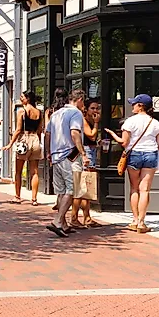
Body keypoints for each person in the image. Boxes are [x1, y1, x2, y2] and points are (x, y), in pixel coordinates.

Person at [104, 94, 159, 234]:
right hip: (150, 154)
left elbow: (124, 142)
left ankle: (135, 220)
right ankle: (142, 223)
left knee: (134, 188)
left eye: (134, 104)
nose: (132, 106)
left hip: (135, 155)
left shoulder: (130, 122)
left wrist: (113, 135)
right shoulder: (155, 123)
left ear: (140, 106)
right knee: (145, 190)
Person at [44, 89, 89, 237]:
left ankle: (63, 223)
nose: (84, 107)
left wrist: (48, 153)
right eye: (84, 103)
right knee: (71, 190)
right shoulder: (75, 113)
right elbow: (74, 133)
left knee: (61, 191)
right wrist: (83, 153)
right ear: (80, 100)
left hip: (56, 156)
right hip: (70, 156)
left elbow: (48, 134)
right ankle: (57, 221)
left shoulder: (56, 114)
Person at [3, 91, 42, 205]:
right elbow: (39, 130)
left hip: (24, 139)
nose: (21, 99)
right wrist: (39, 142)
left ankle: (17, 196)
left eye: (22, 97)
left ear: (28, 99)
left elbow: (18, 129)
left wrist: (10, 143)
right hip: (35, 139)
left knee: (18, 171)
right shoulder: (39, 112)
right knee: (34, 171)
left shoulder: (22, 111)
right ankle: (34, 199)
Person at [69, 98, 103, 229]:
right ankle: (74, 217)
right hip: (86, 154)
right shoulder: (83, 120)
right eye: (92, 108)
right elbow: (91, 135)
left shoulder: (87, 120)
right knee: (83, 186)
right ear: (86, 109)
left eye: (97, 108)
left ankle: (87, 217)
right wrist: (96, 123)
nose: (95, 111)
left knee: (88, 188)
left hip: (91, 152)